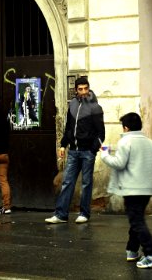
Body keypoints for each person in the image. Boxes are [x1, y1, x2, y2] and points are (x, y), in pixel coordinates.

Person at [100, 112, 152, 269]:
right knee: (136, 219)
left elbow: (119, 163)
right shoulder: (151, 143)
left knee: (136, 221)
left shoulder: (126, 141)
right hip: (146, 189)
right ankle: (132, 250)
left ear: (126, 127)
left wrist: (104, 154)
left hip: (131, 189)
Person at [45, 77, 105, 224]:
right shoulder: (72, 104)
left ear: (89, 88)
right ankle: (61, 215)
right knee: (67, 182)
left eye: (86, 88)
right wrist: (62, 145)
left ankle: (84, 213)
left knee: (86, 183)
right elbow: (68, 128)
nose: (83, 92)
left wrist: (93, 149)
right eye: (80, 89)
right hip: (73, 151)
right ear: (76, 90)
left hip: (87, 152)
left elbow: (101, 132)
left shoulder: (95, 107)